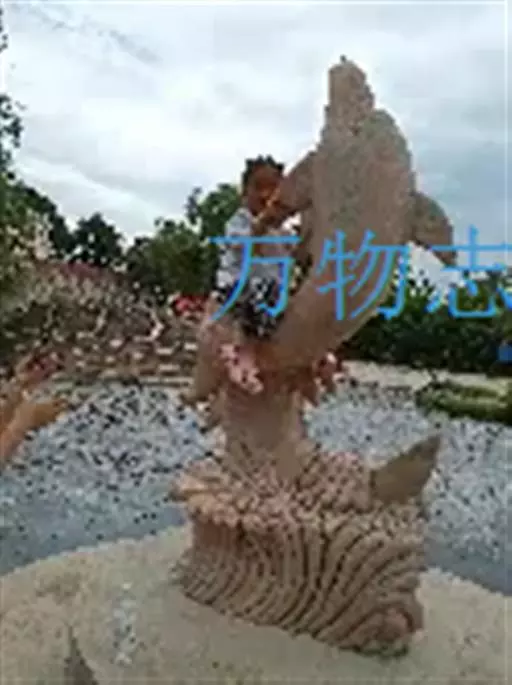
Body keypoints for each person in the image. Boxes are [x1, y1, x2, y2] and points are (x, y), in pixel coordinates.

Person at [182, 155, 336, 408]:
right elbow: (249, 246)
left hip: (271, 297)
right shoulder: (239, 223)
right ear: (244, 192)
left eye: (274, 189)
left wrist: (311, 222)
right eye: (258, 187)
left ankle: (315, 362)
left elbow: (301, 255)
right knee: (263, 299)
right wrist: (265, 221)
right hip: (239, 292)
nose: (266, 194)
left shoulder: (283, 233)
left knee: (305, 310)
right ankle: (243, 357)